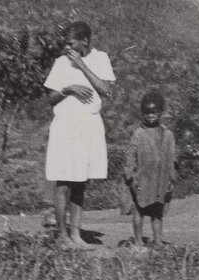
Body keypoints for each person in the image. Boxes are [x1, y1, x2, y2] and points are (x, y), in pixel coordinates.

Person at [44, 21, 115, 249]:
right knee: (64, 180)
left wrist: (82, 65)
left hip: (89, 126)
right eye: (65, 44)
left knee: (80, 180)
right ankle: (62, 235)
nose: (67, 48)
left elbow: (105, 89)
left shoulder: (100, 59)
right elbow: (51, 97)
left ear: (85, 41)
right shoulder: (61, 63)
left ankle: (76, 234)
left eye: (71, 44)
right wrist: (68, 89)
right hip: (66, 126)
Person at [123, 92, 177, 249]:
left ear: (161, 112)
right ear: (142, 114)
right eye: (147, 113)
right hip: (142, 179)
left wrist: (172, 178)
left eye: (154, 112)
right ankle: (138, 241)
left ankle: (157, 240)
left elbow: (173, 158)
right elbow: (130, 157)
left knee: (158, 211)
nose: (151, 115)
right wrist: (131, 178)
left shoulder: (168, 135)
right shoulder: (138, 134)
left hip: (160, 179)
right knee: (139, 210)